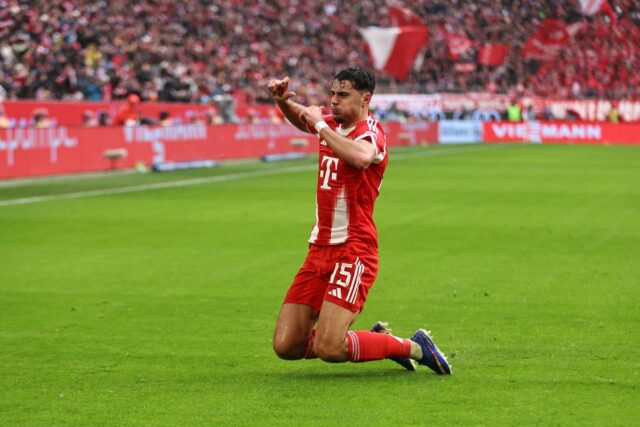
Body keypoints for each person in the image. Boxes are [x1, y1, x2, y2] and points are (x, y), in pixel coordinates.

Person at [268, 67, 452, 374]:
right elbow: (304, 118)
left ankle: (415, 346)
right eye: (332, 94)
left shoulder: (370, 133)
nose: (334, 100)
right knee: (287, 346)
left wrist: (318, 125)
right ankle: (371, 340)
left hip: (354, 250)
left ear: (365, 99)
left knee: (329, 348)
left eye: (343, 95)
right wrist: (283, 102)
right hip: (319, 249)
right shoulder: (331, 125)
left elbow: (361, 157)